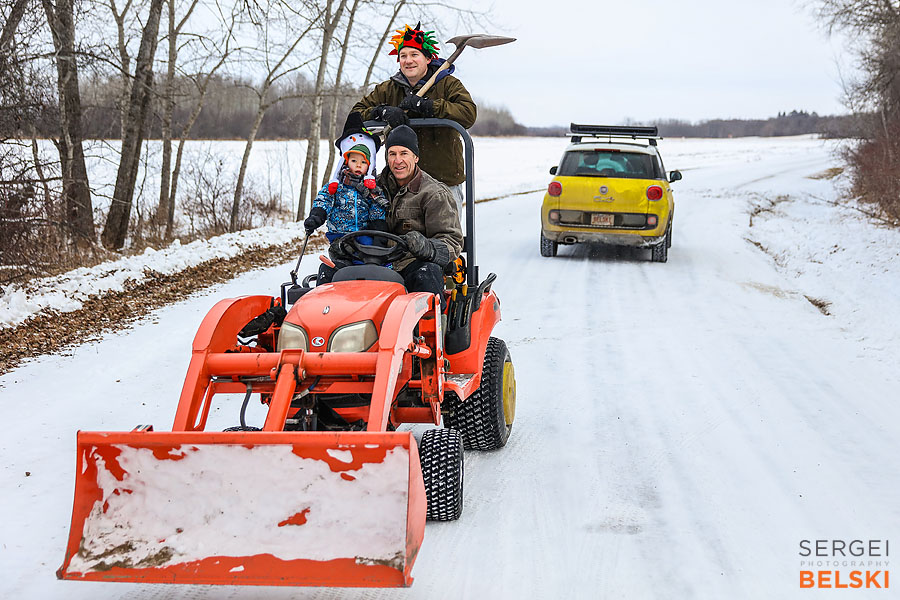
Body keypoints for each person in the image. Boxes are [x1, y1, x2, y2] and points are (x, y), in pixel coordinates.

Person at [351, 22, 476, 218]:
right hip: (401, 182)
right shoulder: (388, 89)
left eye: (414, 55)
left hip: (443, 179)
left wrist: (428, 106)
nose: (408, 60)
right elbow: (357, 113)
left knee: (445, 239)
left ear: (427, 58)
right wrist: (381, 111)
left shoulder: (447, 84)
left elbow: (468, 113)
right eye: (403, 56)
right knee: (404, 242)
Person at [380, 124, 463, 309]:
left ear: (416, 157)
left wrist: (427, 248)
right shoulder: (373, 189)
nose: (397, 160)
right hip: (375, 264)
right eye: (392, 154)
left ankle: (430, 333)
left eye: (404, 153)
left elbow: (452, 241)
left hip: (412, 265)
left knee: (427, 273)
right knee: (331, 272)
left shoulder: (434, 193)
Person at [303, 112, 389, 245]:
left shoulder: (371, 189)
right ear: (346, 161)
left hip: (362, 234)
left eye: (364, 162)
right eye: (354, 160)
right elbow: (324, 200)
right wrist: (316, 216)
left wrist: (380, 229)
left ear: (370, 165)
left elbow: (376, 209)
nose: (359, 165)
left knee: (369, 255)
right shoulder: (336, 186)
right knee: (342, 260)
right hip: (338, 234)